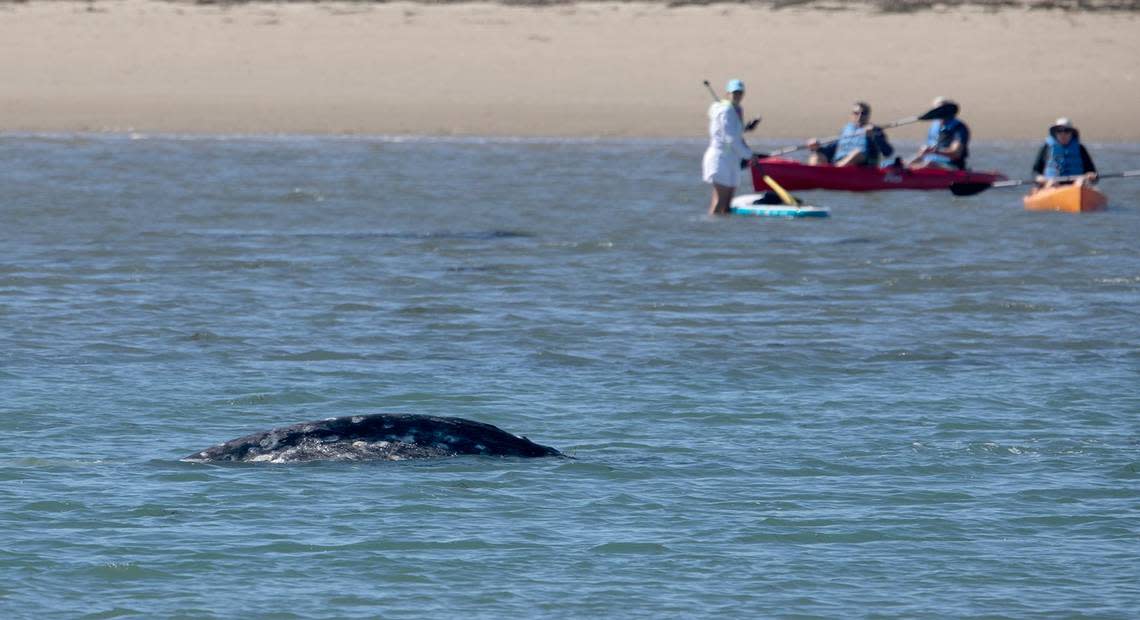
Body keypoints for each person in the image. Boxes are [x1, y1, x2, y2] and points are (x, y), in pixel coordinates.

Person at [702, 79, 760, 215]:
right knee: (719, 201)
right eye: (734, 93)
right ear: (727, 93)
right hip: (720, 158)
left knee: (727, 205)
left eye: (740, 93)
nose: (737, 95)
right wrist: (749, 155)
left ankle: (724, 232)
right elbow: (730, 138)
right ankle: (712, 230)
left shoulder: (737, 109)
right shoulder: (726, 110)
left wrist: (746, 128)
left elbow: (734, 132)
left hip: (732, 159)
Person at [806, 101, 894, 167]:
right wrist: (817, 148)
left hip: (863, 166)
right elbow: (832, 148)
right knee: (816, 156)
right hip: (839, 163)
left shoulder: (875, 130)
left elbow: (888, 152)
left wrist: (873, 137)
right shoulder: (846, 129)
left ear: (868, 115)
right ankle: (811, 175)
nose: (859, 117)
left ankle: (837, 171)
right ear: (852, 114)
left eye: (863, 114)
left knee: (857, 153)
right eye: (856, 113)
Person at [1032, 117, 1097, 187]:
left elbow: (1093, 172)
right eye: (1059, 131)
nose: (1063, 134)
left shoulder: (1080, 148)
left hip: (1076, 186)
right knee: (1052, 183)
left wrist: (1091, 175)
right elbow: (1035, 171)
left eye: (1067, 131)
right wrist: (1039, 177)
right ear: (1055, 133)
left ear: (1072, 133)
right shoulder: (1047, 148)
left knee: (1081, 182)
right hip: (1053, 184)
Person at [909, 97, 970, 170]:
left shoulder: (959, 127)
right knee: (907, 163)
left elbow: (956, 153)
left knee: (929, 164)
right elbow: (926, 151)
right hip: (930, 161)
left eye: (943, 110)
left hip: (952, 166)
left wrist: (935, 151)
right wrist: (910, 162)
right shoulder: (934, 126)